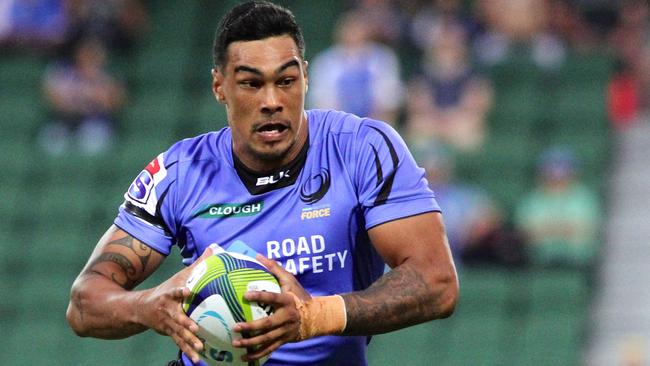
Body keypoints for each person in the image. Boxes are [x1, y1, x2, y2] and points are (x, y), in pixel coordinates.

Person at [65, 2, 458, 366]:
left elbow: (436, 281)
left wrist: (314, 317)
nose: (272, 100)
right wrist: (145, 306)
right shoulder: (179, 172)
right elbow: (84, 304)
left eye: (286, 81)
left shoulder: (362, 148)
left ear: (305, 76)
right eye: (252, 84)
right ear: (220, 87)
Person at [514, 147, 602, 268]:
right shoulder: (531, 200)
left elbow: (585, 231)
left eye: (562, 169)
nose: (556, 175)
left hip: (578, 258)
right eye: (551, 170)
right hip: (538, 258)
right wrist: (562, 229)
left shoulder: (585, 198)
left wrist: (548, 230)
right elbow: (526, 233)